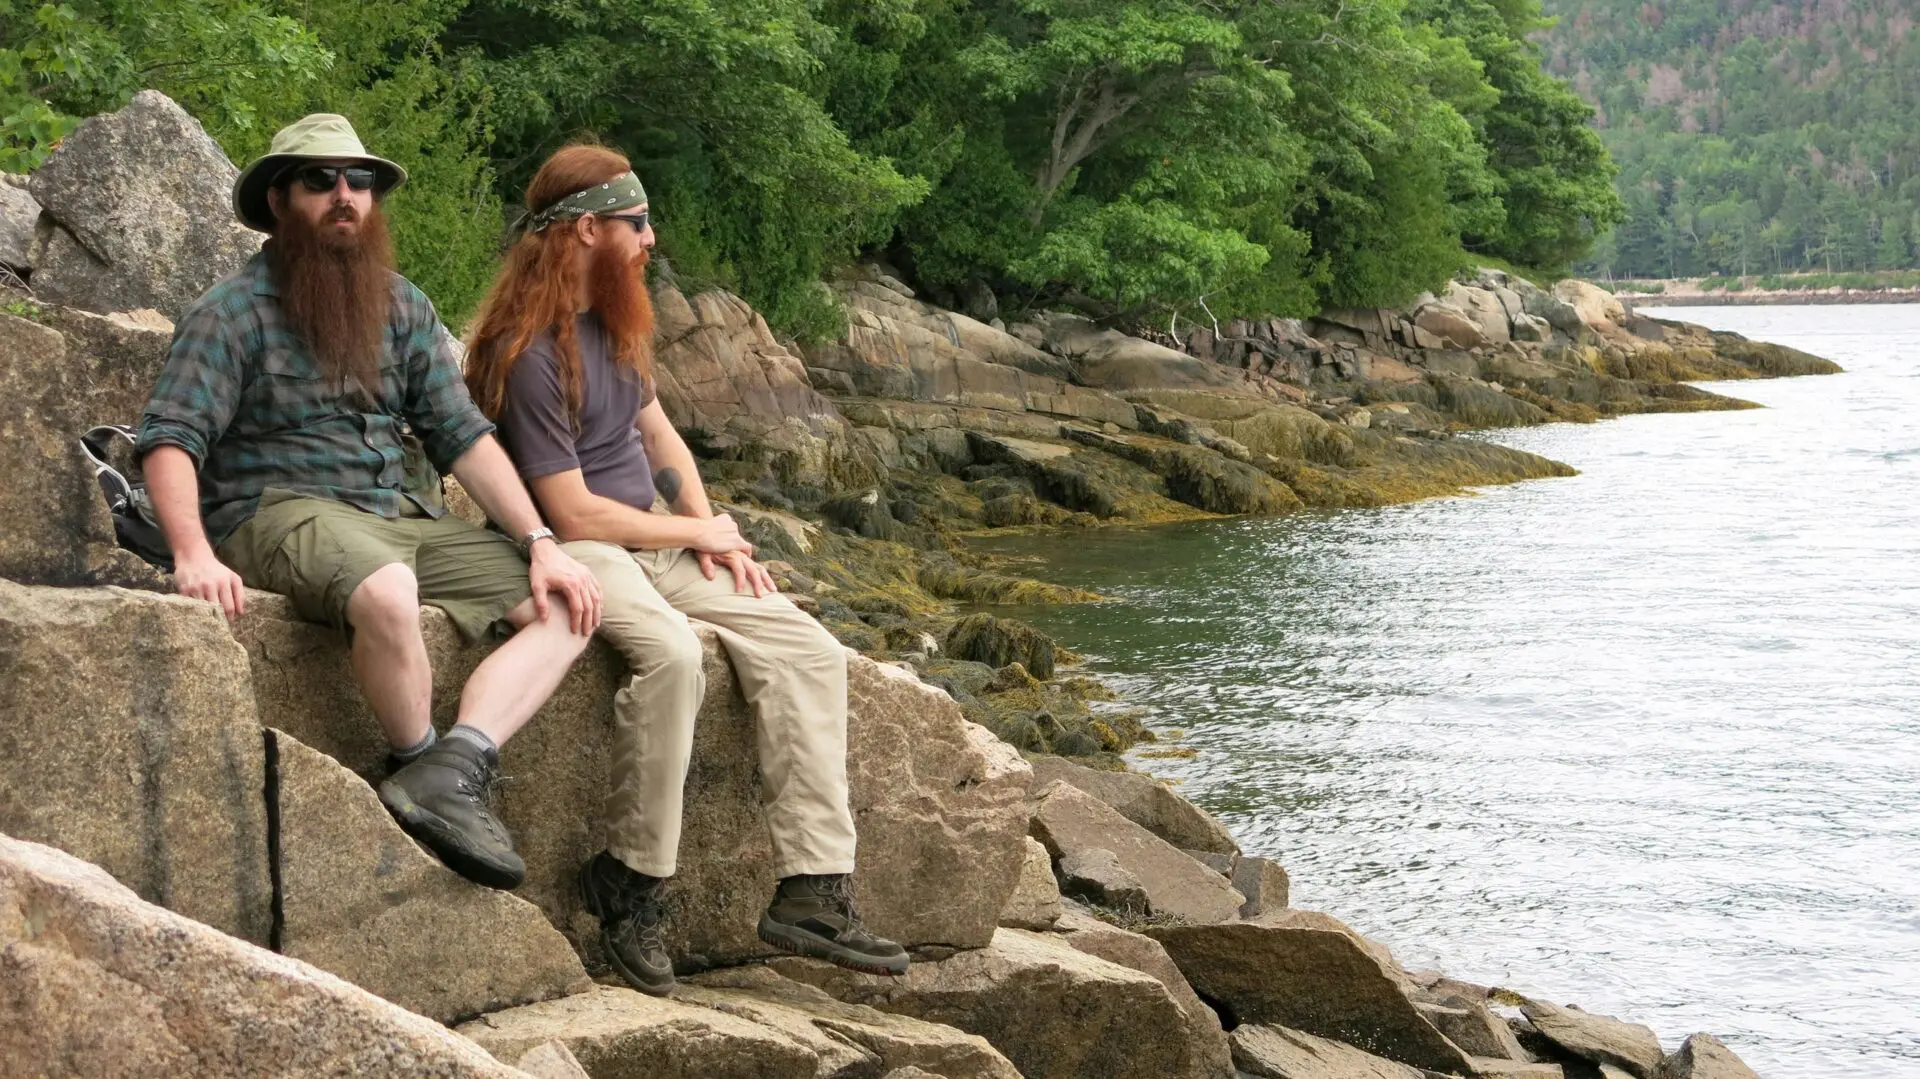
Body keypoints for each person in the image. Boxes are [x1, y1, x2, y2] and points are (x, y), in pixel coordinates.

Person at [463, 144, 908, 995]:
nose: (651, 239)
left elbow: (659, 434)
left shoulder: (619, 322)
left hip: (658, 540)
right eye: (636, 224)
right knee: (670, 653)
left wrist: (710, 532)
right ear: (586, 229)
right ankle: (629, 882)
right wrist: (685, 527)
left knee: (807, 649)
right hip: (584, 546)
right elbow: (571, 511)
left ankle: (812, 889)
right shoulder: (526, 350)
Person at [135, 113, 604, 891]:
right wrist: (191, 552)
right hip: (278, 507)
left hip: (400, 515)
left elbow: (463, 437)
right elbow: (171, 436)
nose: (345, 196)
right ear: (281, 200)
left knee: (571, 602)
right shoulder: (233, 311)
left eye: (360, 182)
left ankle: (458, 764)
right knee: (389, 591)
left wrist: (541, 541)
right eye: (321, 181)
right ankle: (417, 757)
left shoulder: (404, 306)